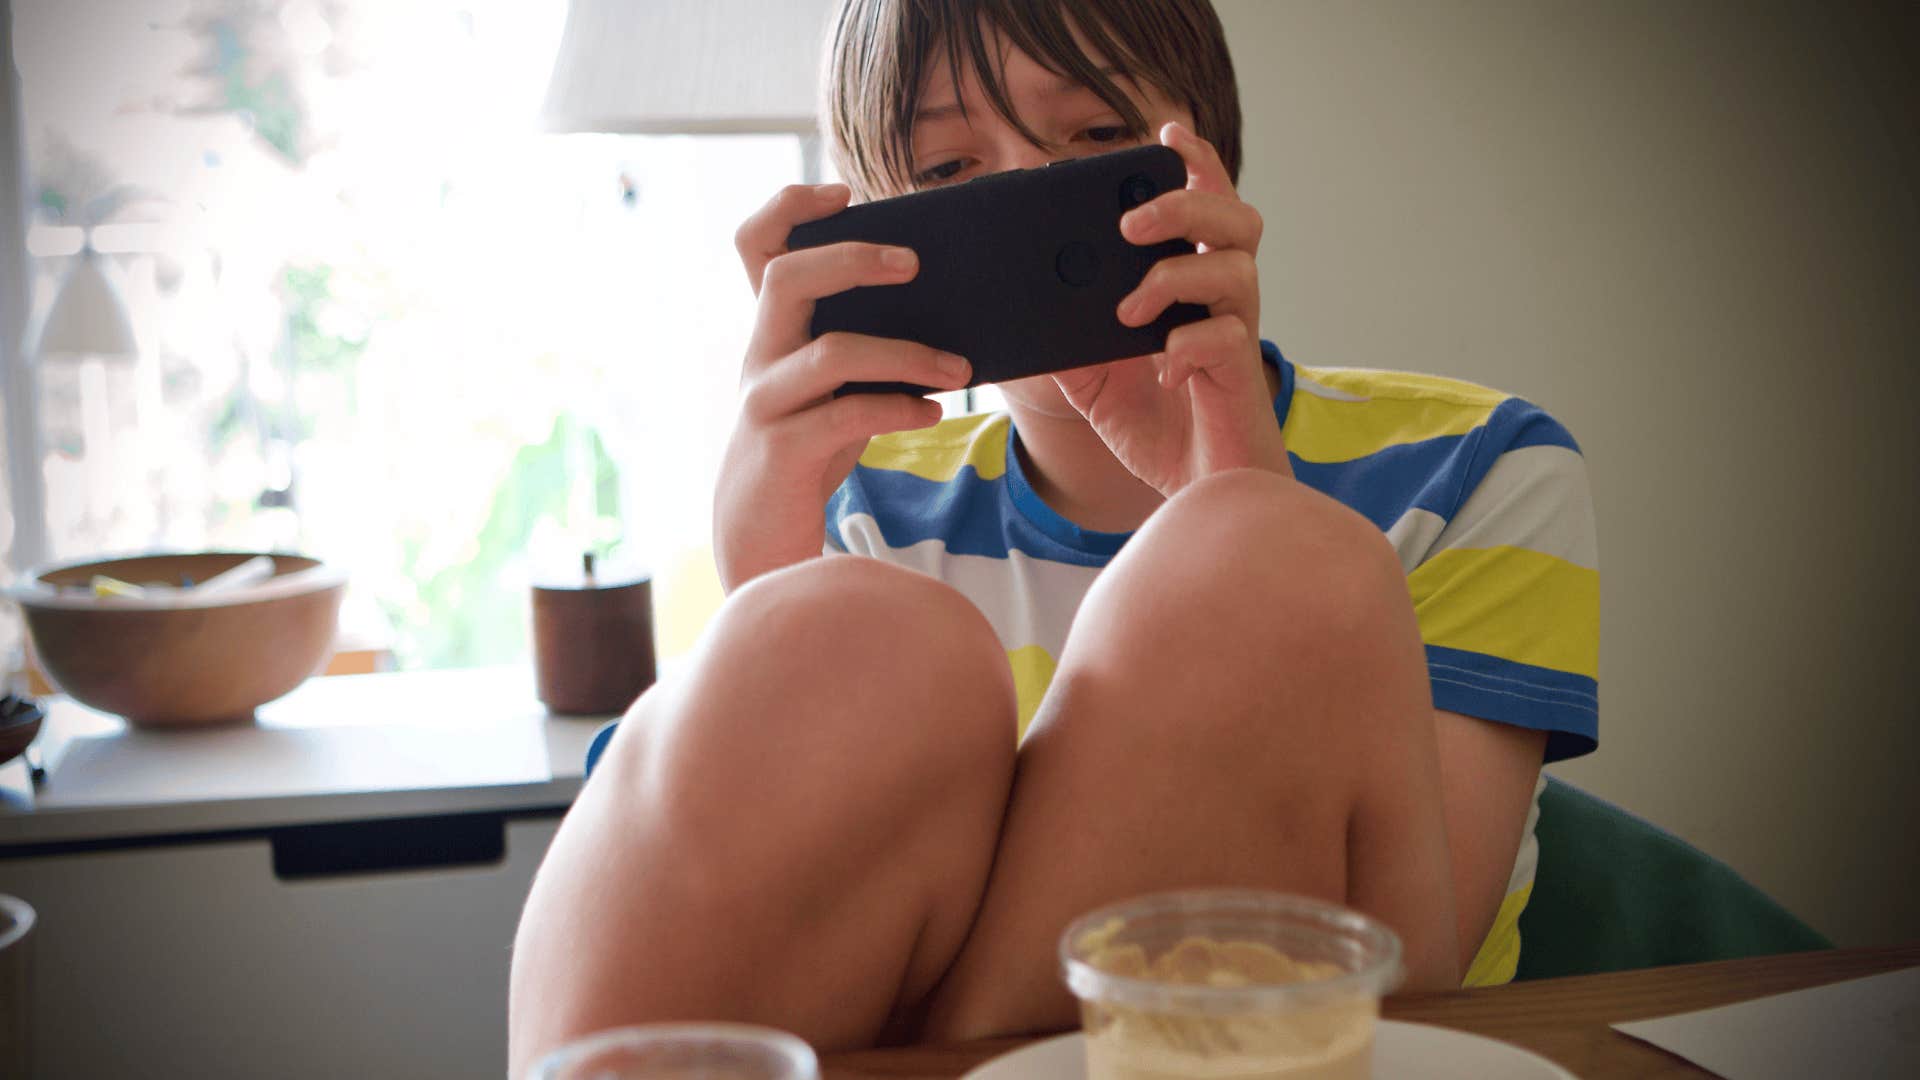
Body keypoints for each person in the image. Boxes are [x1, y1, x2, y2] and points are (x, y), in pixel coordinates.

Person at [508, 0, 1598, 1070]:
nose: (1027, 194)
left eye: (1095, 139)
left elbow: (1417, 979)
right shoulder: (858, 500)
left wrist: (1230, 492)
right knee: (835, 631)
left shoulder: (1476, 470)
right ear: (875, 222)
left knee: (1265, 561)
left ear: (1206, 159)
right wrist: (764, 574)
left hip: (1302, 1046)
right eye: (946, 175)